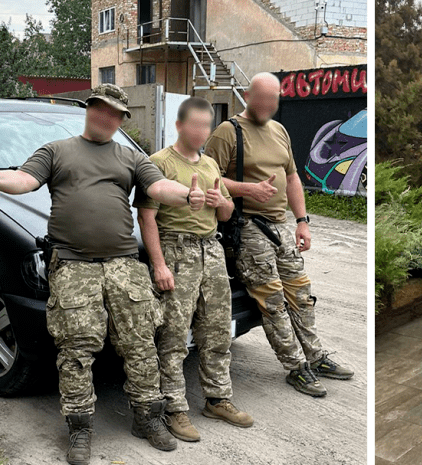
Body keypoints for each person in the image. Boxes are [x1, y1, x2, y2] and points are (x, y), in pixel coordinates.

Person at [0, 84, 203, 465]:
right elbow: (25, 180)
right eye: (101, 109)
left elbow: (158, 186)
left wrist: (187, 195)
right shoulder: (57, 151)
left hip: (124, 264)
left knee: (141, 344)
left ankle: (147, 418)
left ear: (122, 119)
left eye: (116, 114)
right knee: (76, 349)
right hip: (74, 264)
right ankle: (80, 428)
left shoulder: (130, 157)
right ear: (90, 109)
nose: (107, 117)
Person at [203, 72, 353, 398]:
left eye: (274, 100)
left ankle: (316, 356)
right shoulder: (228, 133)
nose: (268, 105)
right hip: (247, 227)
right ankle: (296, 367)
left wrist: (302, 221)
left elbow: (293, 177)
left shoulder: (279, 130)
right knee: (272, 303)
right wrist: (247, 189)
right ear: (247, 95)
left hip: (280, 227)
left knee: (301, 295)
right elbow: (204, 177)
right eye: (262, 98)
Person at [135, 97, 254, 443]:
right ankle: (174, 408)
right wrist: (159, 265)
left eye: (207, 126)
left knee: (217, 331)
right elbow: (147, 217)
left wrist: (222, 203)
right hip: (176, 250)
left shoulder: (211, 166)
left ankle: (217, 398)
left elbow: (226, 215)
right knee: (173, 336)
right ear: (179, 125)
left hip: (211, 251)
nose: (202, 132)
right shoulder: (158, 163)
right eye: (196, 125)